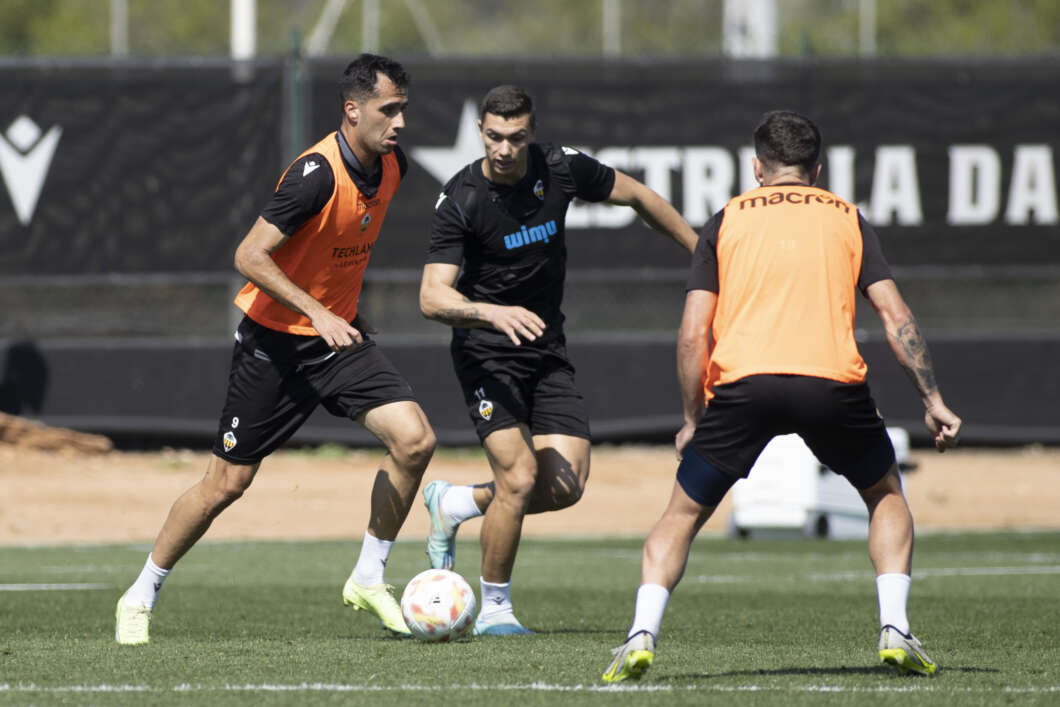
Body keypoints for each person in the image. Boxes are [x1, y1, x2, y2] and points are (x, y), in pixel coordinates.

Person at [601, 110, 961, 682]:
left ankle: (640, 634)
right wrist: (932, 397)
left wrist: (693, 417)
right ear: (816, 169)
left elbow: (694, 333)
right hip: (830, 386)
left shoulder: (727, 220)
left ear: (757, 168)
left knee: (682, 514)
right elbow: (896, 317)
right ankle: (894, 627)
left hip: (745, 386)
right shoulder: (847, 217)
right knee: (886, 493)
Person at [114, 54, 435, 645]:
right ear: (353, 109)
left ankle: (369, 576)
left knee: (415, 440)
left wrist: (336, 309)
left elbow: (337, 251)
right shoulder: (315, 173)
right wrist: (315, 310)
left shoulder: (394, 167)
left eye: (404, 110)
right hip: (275, 347)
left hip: (338, 341)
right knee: (225, 486)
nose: (400, 123)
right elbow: (248, 255)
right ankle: (140, 593)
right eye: (388, 110)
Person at [419, 85, 699, 636]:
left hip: (546, 349)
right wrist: (490, 313)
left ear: (531, 132)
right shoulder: (461, 199)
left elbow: (640, 197)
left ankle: (455, 503)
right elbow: (432, 298)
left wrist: (702, 254)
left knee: (565, 488)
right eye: (494, 136)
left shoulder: (561, 166)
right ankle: (495, 608)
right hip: (485, 353)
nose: (504, 148)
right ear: (480, 131)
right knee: (519, 479)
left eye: (516, 137)